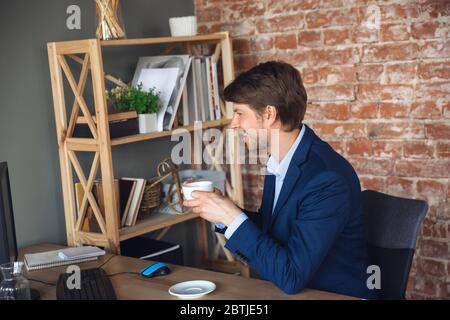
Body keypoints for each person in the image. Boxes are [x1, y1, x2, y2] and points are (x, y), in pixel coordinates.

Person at [184, 61, 377, 299]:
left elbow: (292, 275)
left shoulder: (326, 179)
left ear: (268, 114)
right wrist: (223, 209)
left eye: (239, 114)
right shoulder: (282, 160)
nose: (234, 124)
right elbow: (274, 232)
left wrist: (229, 216)